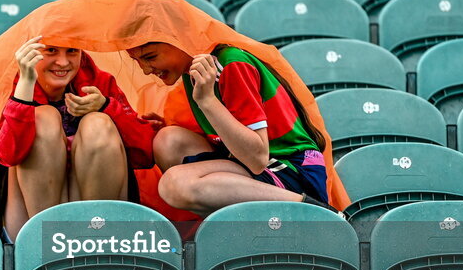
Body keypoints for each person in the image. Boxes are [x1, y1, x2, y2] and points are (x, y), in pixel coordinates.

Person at [125, 41, 339, 217]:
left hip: (292, 169)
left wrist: (207, 100)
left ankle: (314, 211)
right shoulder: (194, 69)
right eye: (137, 62)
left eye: (150, 57)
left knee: (174, 185)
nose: (145, 70)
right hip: (253, 162)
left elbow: (257, 159)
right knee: (168, 140)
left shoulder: (231, 63)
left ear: (178, 41)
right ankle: (232, 226)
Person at [0, 36, 158, 240]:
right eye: (51, 50)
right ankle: (44, 243)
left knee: (98, 123)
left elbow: (144, 154)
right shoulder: (12, 83)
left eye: (72, 51)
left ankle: (97, 240)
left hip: (95, 217)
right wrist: (26, 85)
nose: (62, 62)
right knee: (43, 118)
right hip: (30, 218)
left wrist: (107, 106)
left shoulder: (100, 82)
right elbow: (7, 155)